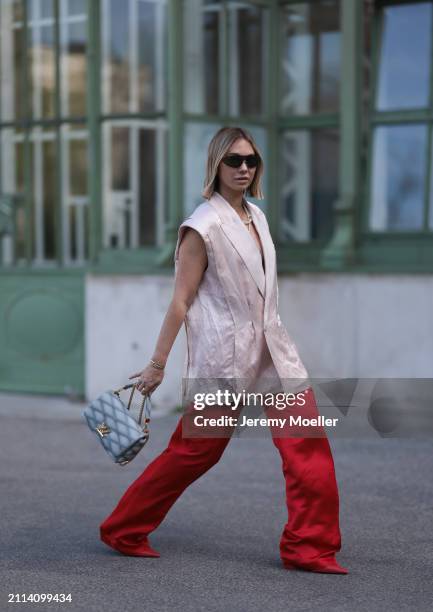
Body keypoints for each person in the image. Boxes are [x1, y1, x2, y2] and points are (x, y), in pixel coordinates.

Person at [99, 126, 348, 574]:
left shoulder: (258, 216)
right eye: (234, 160)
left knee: (307, 445)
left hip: (275, 351)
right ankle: (123, 528)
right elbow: (180, 301)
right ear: (216, 166)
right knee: (196, 452)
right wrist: (157, 364)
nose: (244, 168)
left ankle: (309, 547)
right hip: (223, 356)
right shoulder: (202, 225)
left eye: (251, 160)